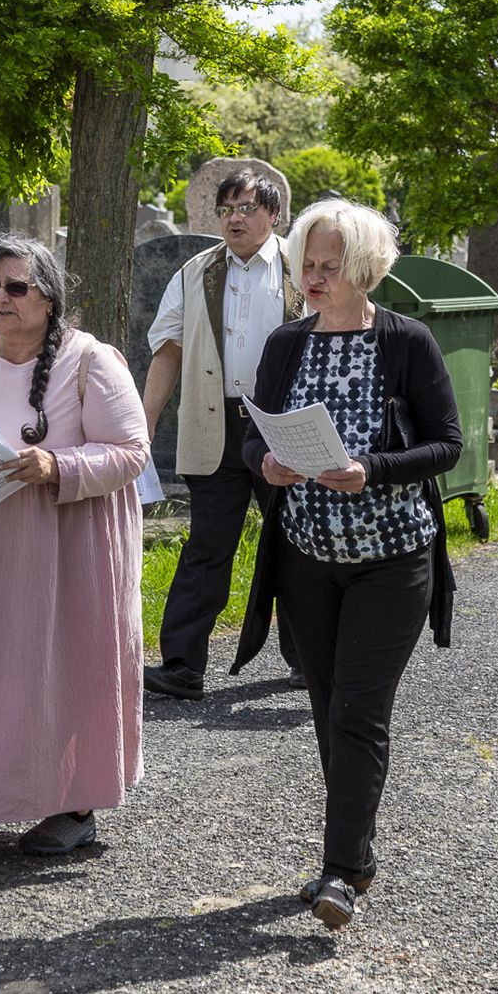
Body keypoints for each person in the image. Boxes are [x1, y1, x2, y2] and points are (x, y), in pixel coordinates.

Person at [234, 200, 461, 929]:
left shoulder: (407, 341)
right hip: (307, 557)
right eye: (307, 265)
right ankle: (357, 858)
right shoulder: (285, 344)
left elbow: (447, 444)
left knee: (360, 711)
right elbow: (253, 436)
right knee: (329, 708)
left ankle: (337, 872)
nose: (314, 278)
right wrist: (265, 463)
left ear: (364, 269)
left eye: (330, 266)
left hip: (391, 560)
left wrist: (373, 470)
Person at [0, 237, 149, 859]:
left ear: (49, 298)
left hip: (65, 546)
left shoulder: (90, 360)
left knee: (61, 673)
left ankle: (75, 805)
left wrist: (56, 465)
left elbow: (132, 453)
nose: (2, 298)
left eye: (16, 287)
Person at [141, 169, 303, 700]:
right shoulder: (196, 271)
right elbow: (167, 350)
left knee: (296, 543)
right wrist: (144, 423)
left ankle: (307, 658)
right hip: (215, 424)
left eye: (247, 208)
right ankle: (182, 666)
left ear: (273, 215)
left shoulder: (300, 266)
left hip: (282, 426)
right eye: (227, 209)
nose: (235, 219)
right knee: (207, 548)